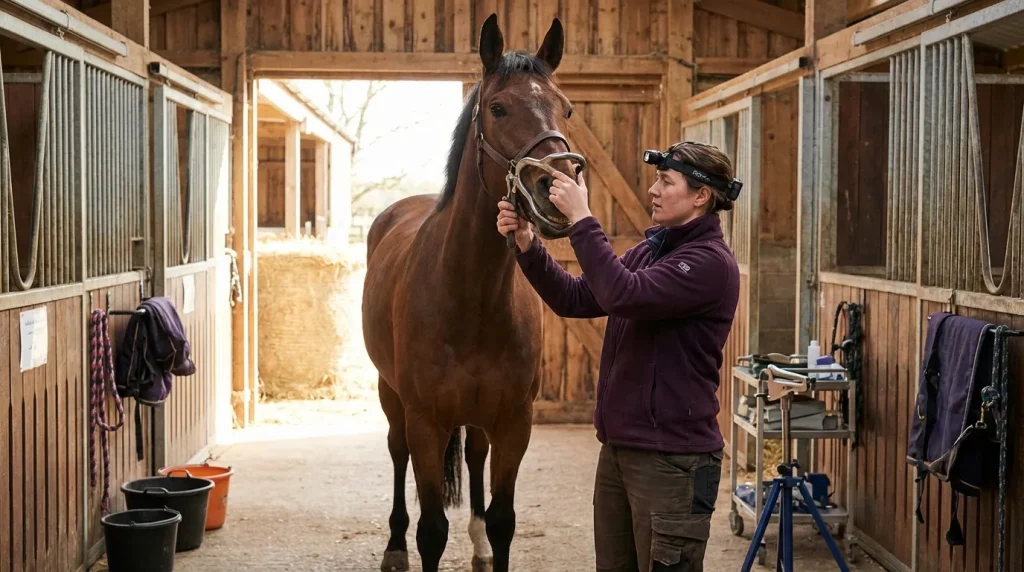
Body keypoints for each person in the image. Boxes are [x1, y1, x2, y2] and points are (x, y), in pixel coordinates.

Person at [497, 140, 742, 572]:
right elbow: (576, 298)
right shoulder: (651, 251)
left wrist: (582, 219)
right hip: (620, 451)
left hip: (672, 461)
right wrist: (528, 245)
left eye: (666, 182)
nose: (653, 190)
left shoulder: (708, 264)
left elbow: (624, 295)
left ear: (701, 195)